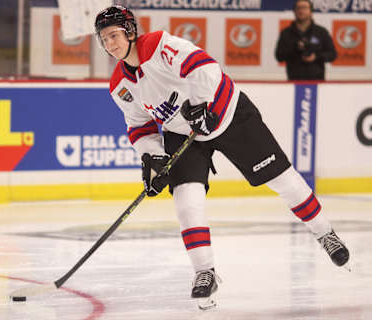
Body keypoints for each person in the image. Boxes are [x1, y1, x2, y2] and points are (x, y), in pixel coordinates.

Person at [95, 5, 350, 309]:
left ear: (130, 31)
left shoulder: (160, 46)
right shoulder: (119, 86)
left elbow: (205, 66)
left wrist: (203, 104)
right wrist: (152, 158)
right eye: (104, 39)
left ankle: (325, 233)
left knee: (282, 180)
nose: (110, 44)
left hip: (227, 114)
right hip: (182, 133)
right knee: (187, 200)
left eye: (114, 35)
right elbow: (139, 126)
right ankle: (205, 271)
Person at [275, 0, 337, 80]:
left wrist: (316, 57)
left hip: (317, 81)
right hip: (293, 81)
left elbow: (332, 54)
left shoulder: (321, 32)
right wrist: (295, 48)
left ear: (311, 11)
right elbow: (279, 56)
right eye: (298, 8)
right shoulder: (286, 33)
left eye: (304, 8)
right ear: (294, 11)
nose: (301, 11)